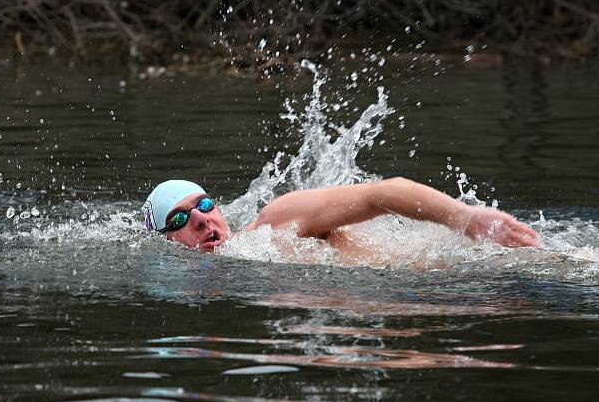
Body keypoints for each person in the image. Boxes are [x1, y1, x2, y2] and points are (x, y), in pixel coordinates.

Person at [142, 178, 540, 253]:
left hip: (473, 271)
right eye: (179, 220)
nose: (200, 219)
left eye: (205, 205)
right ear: (166, 242)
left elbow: (380, 193)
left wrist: (465, 219)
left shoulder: (272, 227)